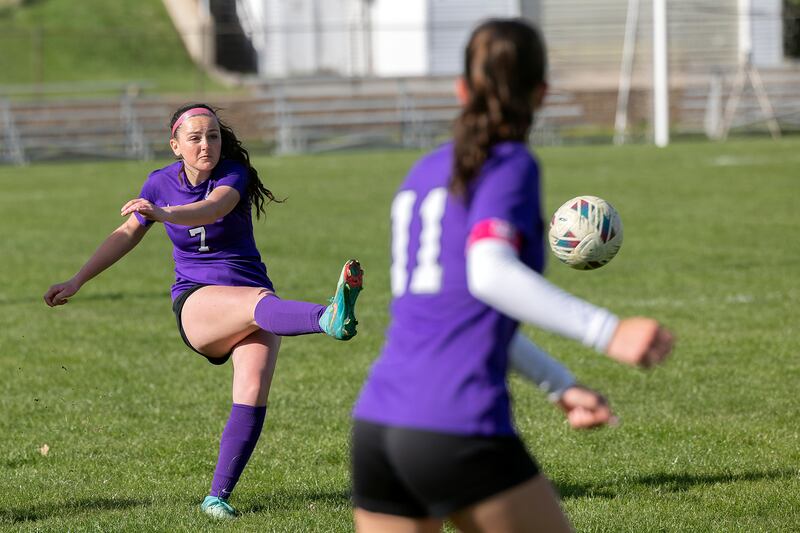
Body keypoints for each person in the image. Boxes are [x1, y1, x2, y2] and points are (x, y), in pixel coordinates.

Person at [350, 18, 673, 532]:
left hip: (378, 426)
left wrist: (560, 384)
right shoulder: (509, 164)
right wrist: (608, 332)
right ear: (542, 93)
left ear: (460, 89)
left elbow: (463, 311)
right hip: (456, 423)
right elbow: (489, 273)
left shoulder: (422, 172)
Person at [43, 103, 363, 520]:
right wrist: (77, 280)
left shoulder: (234, 174)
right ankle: (326, 317)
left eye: (212, 135)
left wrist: (165, 213)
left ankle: (217, 497)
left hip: (254, 299)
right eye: (194, 138)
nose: (205, 144)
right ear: (175, 145)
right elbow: (125, 233)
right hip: (199, 301)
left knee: (252, 390)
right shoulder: (159, 183)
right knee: (259, 305)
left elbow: (212, 208)